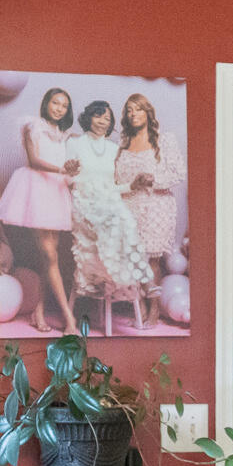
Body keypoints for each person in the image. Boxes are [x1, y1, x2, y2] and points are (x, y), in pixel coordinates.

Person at [66, 101, 153, 333]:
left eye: (107, 117)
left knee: (125, 220)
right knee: (116, 221)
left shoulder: (114, 149)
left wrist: (133, 185)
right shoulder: (75, 143)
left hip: (108, 203)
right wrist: (71, 174)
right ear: (88, 117)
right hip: (85, 203)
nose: (103, 120)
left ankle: (126, 279)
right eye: (98, 115)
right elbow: (67, 180)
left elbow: (115, 187)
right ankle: (136, 280)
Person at [0, 87, 78, 333]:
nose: (59, 108)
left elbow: (66, 164)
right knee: (50, 256)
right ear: (46, 103)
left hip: (55, 193)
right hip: (36, 192)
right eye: (55, 103)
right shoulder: (32, 126)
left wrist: (72, 169)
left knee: (49, 256)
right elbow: (34, 160)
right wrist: (63, 170)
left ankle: (39, 311)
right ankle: (69, 319)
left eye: (63, 105)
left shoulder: (63, 135)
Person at [114, 93, 184, 297]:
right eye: (129, 110)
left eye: (138, 109)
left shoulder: (165, 139)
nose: (133, 113)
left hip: (156, 207)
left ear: (148, 112)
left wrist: (153, 179)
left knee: (152, 259)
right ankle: (137, 308)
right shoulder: (123, 143)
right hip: (128, 206)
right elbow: (117, 180)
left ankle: (151, 311)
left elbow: (179, 172)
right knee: (131, 258)